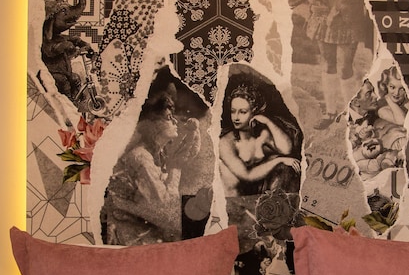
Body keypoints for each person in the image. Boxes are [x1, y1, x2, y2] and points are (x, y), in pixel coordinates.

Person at [101, 83, 200, 245]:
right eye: (168, 117)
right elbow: (165, 208)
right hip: (131, 240)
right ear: (152, 124)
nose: (175, 121)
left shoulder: (158, 155)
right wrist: (176, 167)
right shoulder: (140, 157)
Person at [219, 81, 301, 197]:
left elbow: (286, 150)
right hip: (231, 196)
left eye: (242, 112)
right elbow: (247, 175)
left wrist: (268, 122)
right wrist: (278, 160)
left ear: (254, 112)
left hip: (255, 191)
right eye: (233, 111)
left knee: (287, 168)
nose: (236, 117)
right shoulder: (225, 143)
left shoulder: (262, 135)